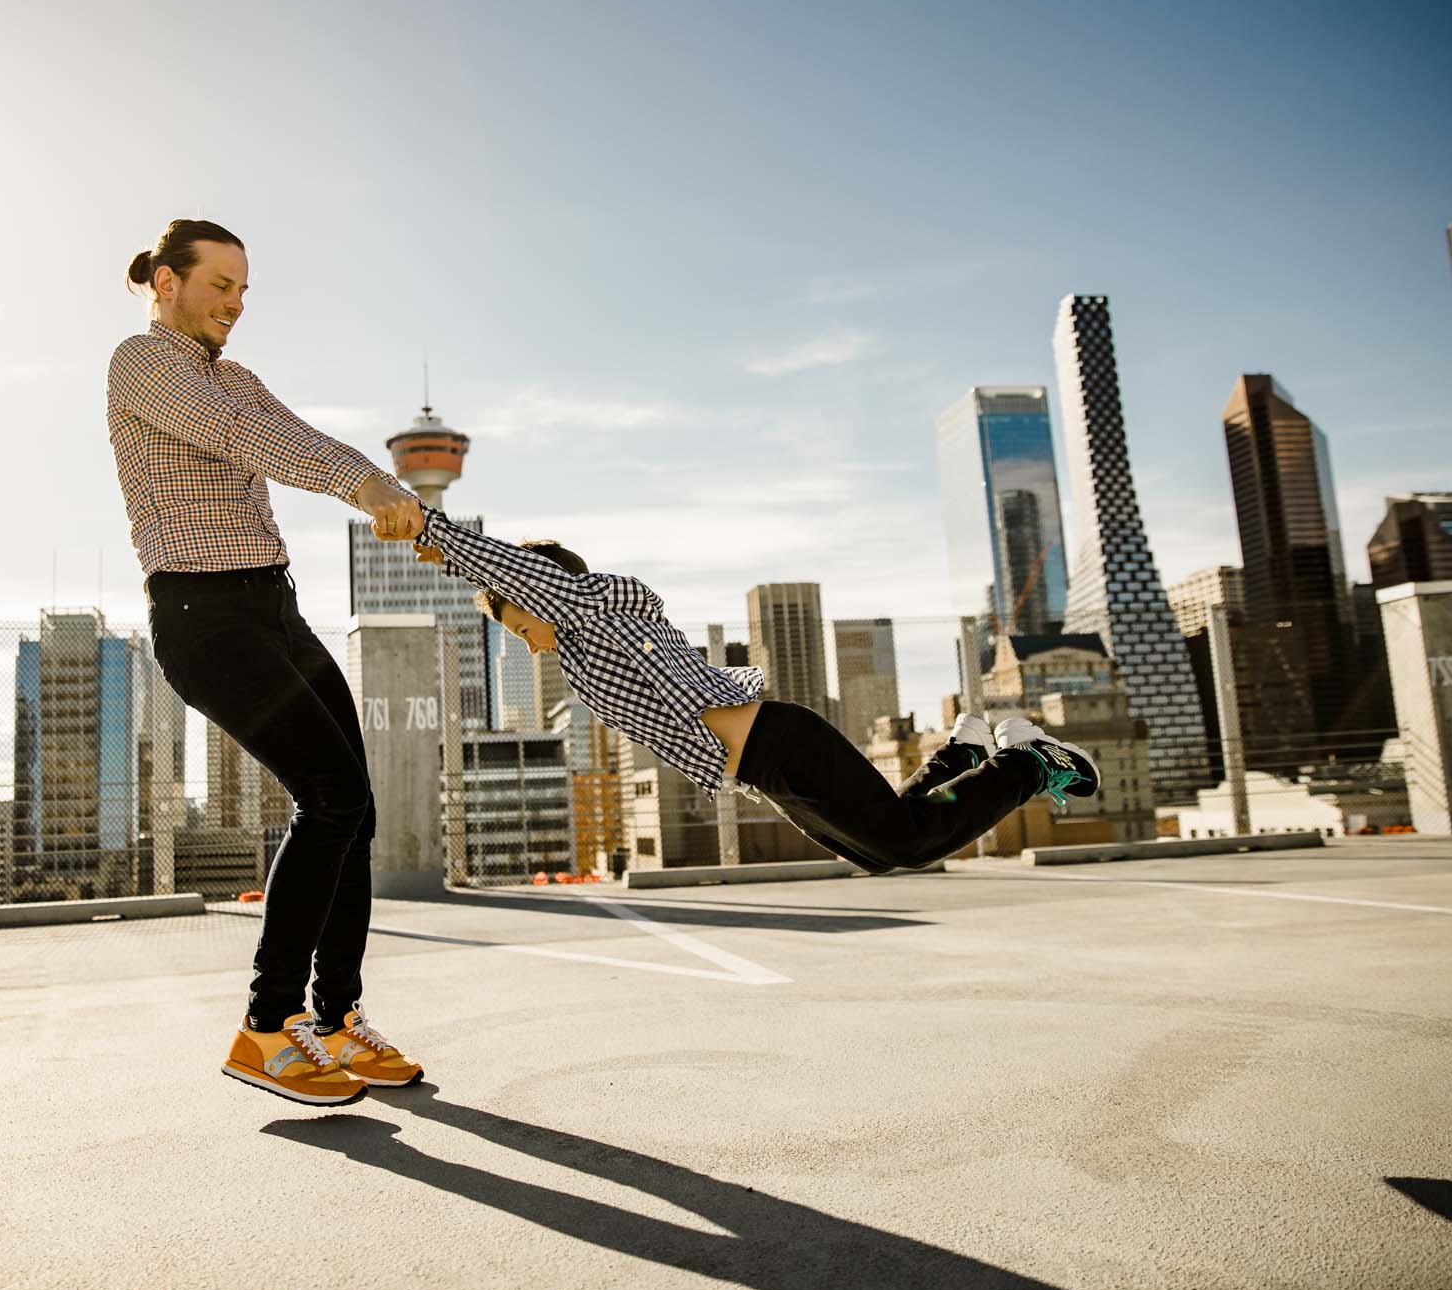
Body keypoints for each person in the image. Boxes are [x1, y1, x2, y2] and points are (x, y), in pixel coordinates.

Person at [108, 219, 423, 1107]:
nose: (236, 303)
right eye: (221, 285)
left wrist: (389, 489)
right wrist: (362, 487)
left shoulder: (239, 376)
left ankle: (336, 1019)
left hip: (274, 609)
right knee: (328, 795)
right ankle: (266, 1025)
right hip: (204, 618)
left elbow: (296, 429)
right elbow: (247, 439)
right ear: (166, 282)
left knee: (354, 809)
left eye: (244, 289)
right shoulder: (141, 362)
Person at [391, 506, 1099, 873]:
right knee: (881, 849)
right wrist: (454, 565)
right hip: (761, 767)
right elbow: (510, 582)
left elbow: (522, 573)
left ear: (543, 597)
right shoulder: (579, 650)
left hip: (778, 740)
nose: (527, 642)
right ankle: (962, 753)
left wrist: (435, 531)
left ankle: (1030, 761)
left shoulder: (594, 605)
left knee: (905, 844)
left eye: (521, 627)